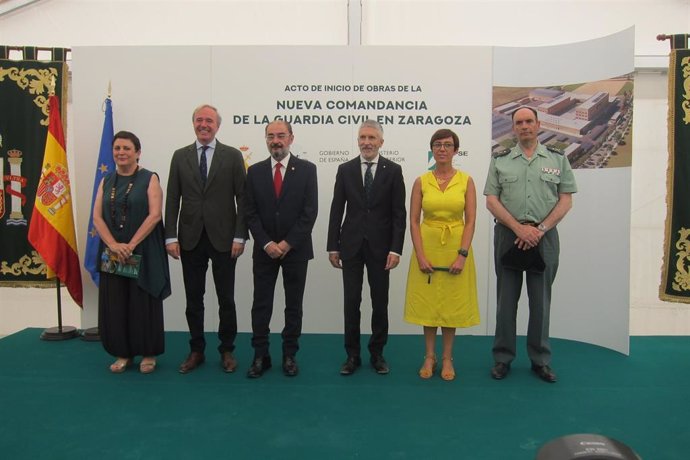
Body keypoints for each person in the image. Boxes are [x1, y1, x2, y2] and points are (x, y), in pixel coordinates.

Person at [484, 107, 577, 383]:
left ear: (538, 125)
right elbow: (491, 200)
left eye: (528, 122)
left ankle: (540, 360)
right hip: (508, 236)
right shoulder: (500, 159)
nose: (524, 126)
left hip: (544, 237)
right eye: (519, 123)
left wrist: (539, 230)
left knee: (540, 303)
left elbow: (566, 199)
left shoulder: (557, 159)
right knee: (505, 302)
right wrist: (519, 229)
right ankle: (503, 358)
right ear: (514, 128)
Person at [164, 104, 248, 374]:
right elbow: (172, 199)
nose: (204, 125)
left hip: (225, 240)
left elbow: (243, 200)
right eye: (199, 120)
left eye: (209, 121)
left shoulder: (233, 156)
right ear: (193, 124)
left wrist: (240, 236)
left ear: (217, 125)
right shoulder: (179, 156)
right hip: (189, 239)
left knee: (227, 299)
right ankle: (196, 350)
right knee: (193, 299)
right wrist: (170, 236)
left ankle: (227, 350)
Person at [327, 120, 406, 375]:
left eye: (372, 137)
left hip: (382, 249)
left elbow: (398, 215)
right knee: (351, 302)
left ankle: (377, 353)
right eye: (363, 137)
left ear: (381, 142)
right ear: (358, 140)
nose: (367, 142)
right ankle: (352, 355)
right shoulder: (345, 169)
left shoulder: (393, 170)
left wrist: (396, 249)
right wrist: (332, 246)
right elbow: (336, 210)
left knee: (379, 302)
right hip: (350, 247)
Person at [403, 129, 480, 381]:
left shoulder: (466, 181)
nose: (443, 149)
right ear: (432, 149)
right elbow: (413, 221)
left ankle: (447, 358)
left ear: (455, 150)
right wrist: (420, 254)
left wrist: (462, 255)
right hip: (427, 246)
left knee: (450, 303)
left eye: (448, 145)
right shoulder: (421, 181)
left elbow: (470, 221)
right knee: (428, 303)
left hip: (455, 247)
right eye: (438, 144)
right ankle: (429, 356)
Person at [244, 120, 318, 378]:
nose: (276, 140)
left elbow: (310, 213)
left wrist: (287, 243)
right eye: (271, 136)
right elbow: (250, 213)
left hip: (295, 251)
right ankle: (260, 355)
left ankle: (289, 355)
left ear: (291, 138)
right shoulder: (254, 171)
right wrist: (266, 243)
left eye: (281, 135)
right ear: (265, 139)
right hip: (264, 251)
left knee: (293, 306)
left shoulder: (308, 170)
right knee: (261, 305)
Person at [93, 131, 171, 374]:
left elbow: (155, 215)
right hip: (113, 253)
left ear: (138, 152)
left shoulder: (150, 178)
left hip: (143, 250)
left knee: (142, 303)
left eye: (127, 148)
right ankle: (123, 353)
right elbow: (97, 217)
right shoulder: (106, 180)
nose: (121, 153)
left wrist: (131, 244)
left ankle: (148, 353)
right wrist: (114, 245)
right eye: (117, 148)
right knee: (116, 303)